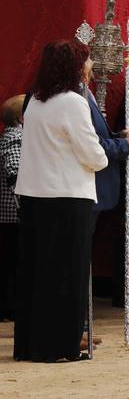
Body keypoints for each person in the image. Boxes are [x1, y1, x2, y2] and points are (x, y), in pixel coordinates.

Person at [13, 41, 109, 361]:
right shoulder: (73, 102)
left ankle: (30, 344)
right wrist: (103, 158)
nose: (90, 67)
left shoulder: (34, 101)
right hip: (67, 196)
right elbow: (92, 153)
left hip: (34, 195)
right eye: (86, 62)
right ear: (73, 67)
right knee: (67, 274)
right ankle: (59, 345)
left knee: (37, 274)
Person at [0, 95, 23, 322]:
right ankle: (9, 308)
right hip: (12, 215)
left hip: (6, 214)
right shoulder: (17, 138)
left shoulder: (7, 136)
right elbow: (14, 171)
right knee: (12, 264)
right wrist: (23, 206)